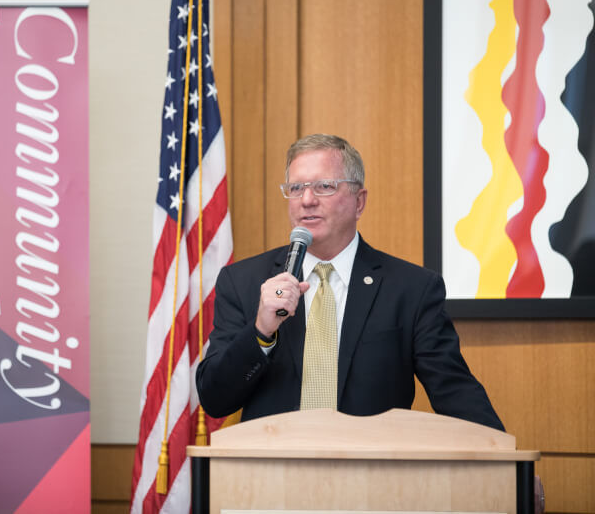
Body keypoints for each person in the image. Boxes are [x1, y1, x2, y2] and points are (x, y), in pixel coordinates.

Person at [196, 134, 504, 430]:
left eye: (324, 187)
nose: (306, 200)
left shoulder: (411, 289)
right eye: (296, 187)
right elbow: (215, 399)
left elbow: (455, 391)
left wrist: (509, 464)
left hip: (371, 475)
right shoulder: (244, 281)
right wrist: (261, 332)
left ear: (359, 202)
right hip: (272, 475)